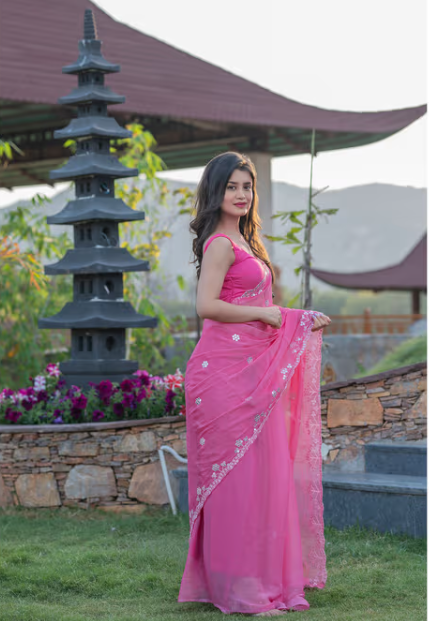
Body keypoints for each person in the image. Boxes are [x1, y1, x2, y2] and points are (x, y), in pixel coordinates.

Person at [178, 152, 330, 616]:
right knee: (234, 481)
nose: (241, 194)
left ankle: (266, 579)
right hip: (220, 374)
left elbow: (259, 308)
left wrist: (296, 320)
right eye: (232, 187)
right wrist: (270, 313)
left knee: (262, 477)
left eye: (247, 186)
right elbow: (207, 306)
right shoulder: (219, 244)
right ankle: (235, 586)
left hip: (251, 372)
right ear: (216, 192)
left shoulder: (247, 241)